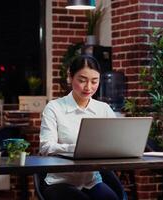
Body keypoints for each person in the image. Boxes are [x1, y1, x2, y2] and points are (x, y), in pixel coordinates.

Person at [39, 55, 119, 200]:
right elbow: (45, 147)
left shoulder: (104, 109)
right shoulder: (54, 108)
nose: (88, 87)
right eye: (82, 80)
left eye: (94, 81)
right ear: (70, 77)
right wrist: (77, 148)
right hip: (59, 182)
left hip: (91, 181)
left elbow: (115, 142)